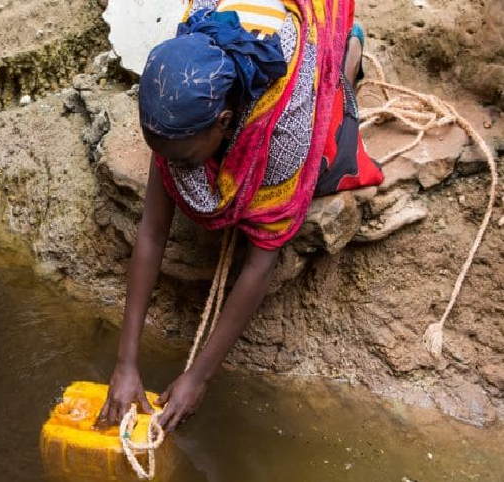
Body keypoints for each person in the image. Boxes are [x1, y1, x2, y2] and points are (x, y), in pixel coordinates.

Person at [97, 0, 384, 432]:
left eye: (185, 157)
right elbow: (152, 232)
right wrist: (125, 363)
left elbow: (261, 260)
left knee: (332, 145)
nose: (174, 167)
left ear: (224, 122)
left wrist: (199, 378)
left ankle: (351, 49)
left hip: (305, 37)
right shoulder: (184, 71)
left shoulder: (283, 135)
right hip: (249, 22)